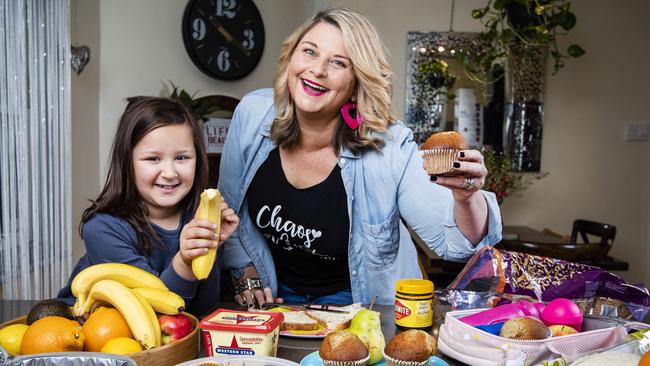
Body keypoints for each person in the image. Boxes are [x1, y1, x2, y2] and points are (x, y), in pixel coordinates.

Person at [218, 8, 502, 307]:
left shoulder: (390, 149)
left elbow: (454, 245)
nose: (317, 69)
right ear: (291, 58)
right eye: (310, 52)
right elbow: (228, 209)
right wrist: (245, 274)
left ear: (357, 84)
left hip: (358, 305)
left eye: (338, 62)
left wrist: (467, 197)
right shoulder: (251, 115)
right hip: (273, 294)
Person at [58, 96, 239, 317]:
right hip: (90, 332)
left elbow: (201, 311)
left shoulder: (197, 218)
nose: (170, 173)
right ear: (127, 162)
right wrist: (184, 261)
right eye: (153, 159)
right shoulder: (102, 228)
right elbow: (154, 312)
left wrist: (211, 246)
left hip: (173, 340)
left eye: (182, 157)